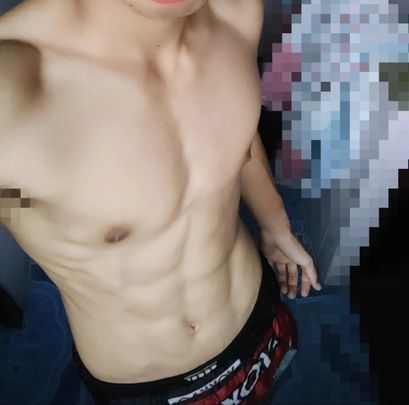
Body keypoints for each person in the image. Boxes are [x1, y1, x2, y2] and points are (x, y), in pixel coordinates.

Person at [0, 0, 321, 403]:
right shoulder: (12, 91)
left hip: (257, 312)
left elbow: (236, 131)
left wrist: (275, 226)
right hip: (150, 383)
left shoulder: (236, 10)